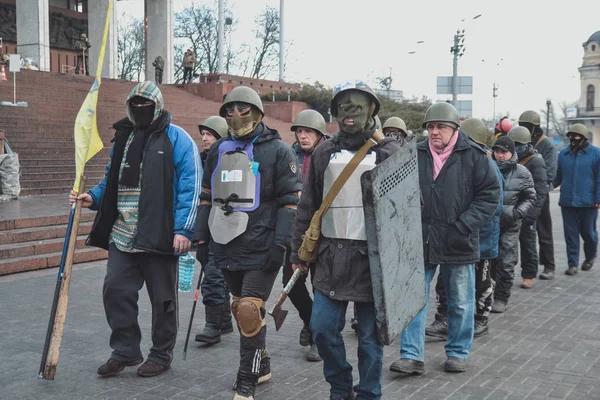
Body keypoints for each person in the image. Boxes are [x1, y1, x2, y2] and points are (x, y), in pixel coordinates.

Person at [70, 81, 201, 377]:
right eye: (136, 104)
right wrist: (93, 197)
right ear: (129, 107)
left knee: (163, 299)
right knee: (115, 289)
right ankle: (126, 350)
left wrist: (184, 229)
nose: (141, 110)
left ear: (158, 106)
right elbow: (110, 181)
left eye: (147, 105)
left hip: (160, 233)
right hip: (123, 234)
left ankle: (160, 353)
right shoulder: (123, 139)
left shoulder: (177, 139)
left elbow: (190, 187)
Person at [290, 81, 400, 400]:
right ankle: (340, 387)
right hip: (330, 258)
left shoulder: (388, 152)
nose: (350, 112)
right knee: (322, 329)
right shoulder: (325, 151)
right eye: (344, 106)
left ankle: (368, 393)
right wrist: (299, 250)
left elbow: (407, 210)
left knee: (369, 338)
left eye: (357, 106)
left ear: (372, 110)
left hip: (371, 261)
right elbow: (308, 204)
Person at [193, 86, 301, 400]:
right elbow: (207, 195)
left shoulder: (279, 151)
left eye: (243, 109)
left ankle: (247, 379)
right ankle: (262, 363)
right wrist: (201, 237)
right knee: (240, 308)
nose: (236, 115)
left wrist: (280, 245)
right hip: (225, 243)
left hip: (262, 244)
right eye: (230, 109)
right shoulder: (219, 149)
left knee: (251, 310)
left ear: (256, 111)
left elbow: (290, 201)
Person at [390, 103, 501, 375]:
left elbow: (490, 196)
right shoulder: (413, 154)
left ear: (454, 130)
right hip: (421, 239)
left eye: (440, 127)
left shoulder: (474, 156)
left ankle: (458, 352)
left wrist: (464, 226)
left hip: (458, 240)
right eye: (430, 127)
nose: (434, 132)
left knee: (461, 300)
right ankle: (411, 355)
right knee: (414, 299)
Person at [425, 118, 503, 338]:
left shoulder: (483, 162)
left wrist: (465, 224)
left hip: (480, 238)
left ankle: (480, 319)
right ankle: (445, 319)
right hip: (458, 237)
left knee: (478, 284)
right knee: (446, 283)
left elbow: (493, 202)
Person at [286, 109, 328, 362]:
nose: (303, 136)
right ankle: (311, 322)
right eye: (299, 131)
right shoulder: (289, 156)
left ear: (319, 134)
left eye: (308, 131)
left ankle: (318, 338)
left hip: (324, 233)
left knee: (320, 286)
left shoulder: (331, 156)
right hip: (295, 230)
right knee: (290, 284)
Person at [194, 116, 235, 345]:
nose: (204, 138)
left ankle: (213, 325)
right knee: (217, 274)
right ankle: (225, 320)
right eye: (203, 134)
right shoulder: (199, 160)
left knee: (213, 276)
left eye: (209, 134)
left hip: (224, 224)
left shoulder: (230, 160)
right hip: (205, 225)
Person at [489, 136, 536, 314]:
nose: (500, 155)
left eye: (504, 152)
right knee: (486, 260)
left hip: (510, 223)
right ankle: (487, 291)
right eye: (497, 151)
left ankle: (501, 297)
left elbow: (530, 196)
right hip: (489, 223)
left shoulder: (522, 172)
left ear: (512, 153)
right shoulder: (487, 167)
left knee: (506, 262)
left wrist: (517, 213)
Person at [554, 123, 600, 276]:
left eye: (577, 137)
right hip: (567, 200)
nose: (573, 140)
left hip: (589, 201)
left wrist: (598, 198)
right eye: (571, 137)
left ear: (584, 138)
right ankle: (572, 264)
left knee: (588, 233)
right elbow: (558, 176)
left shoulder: (596, 154)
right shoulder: (563, 154)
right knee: (570, 234)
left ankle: (590, 256)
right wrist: (545, 187)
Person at [507, 126, 548, 291]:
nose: (516, 147)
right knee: (508, 247)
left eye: (518, 144)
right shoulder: (510, 159)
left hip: (527, 211)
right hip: (511, 210)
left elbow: (540, 191)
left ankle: (528, 275)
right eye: (513, 144)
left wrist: (531, 215)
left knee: (528, 244)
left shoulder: (536, 161)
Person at [518, 110, 558, 280]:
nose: (525, 128)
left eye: (528, 126)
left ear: (535, 127)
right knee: (525, 233)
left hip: (539, 193)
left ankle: (549, 265)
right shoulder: (520, 140)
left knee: (544, 231)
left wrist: (536, 186)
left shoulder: (546, 144)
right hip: (520, 193)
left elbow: (550, 172)